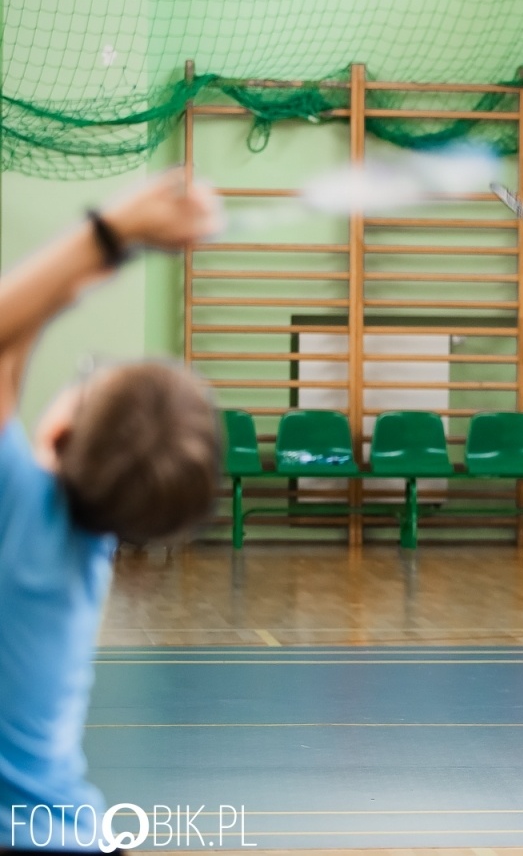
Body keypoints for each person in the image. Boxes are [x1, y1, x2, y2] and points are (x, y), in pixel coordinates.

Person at [1, 170, 223, 853]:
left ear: (64, 430)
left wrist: (113, 230)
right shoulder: (74, 540)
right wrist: (86, 270)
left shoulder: (22, 514)